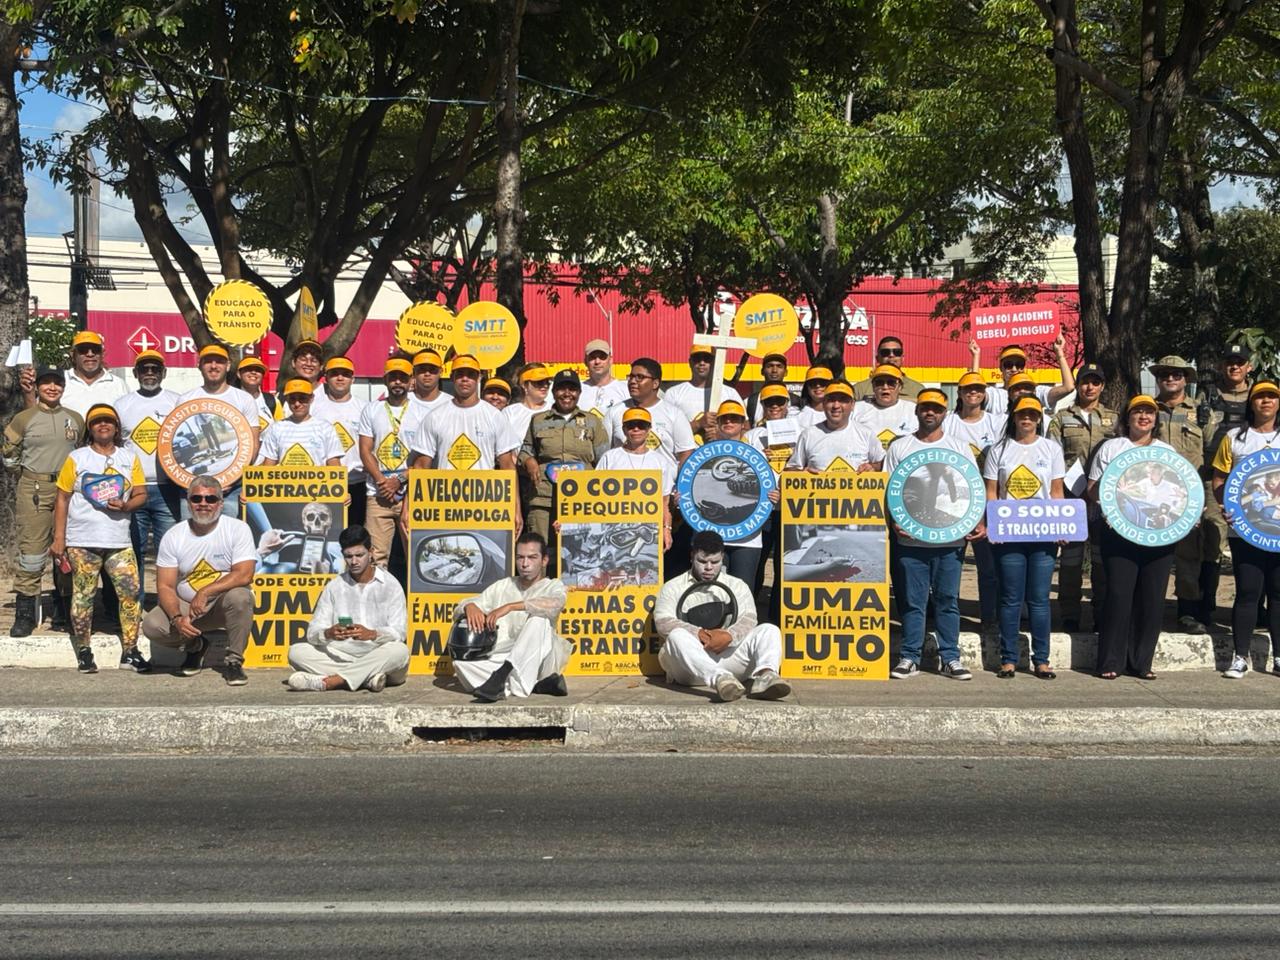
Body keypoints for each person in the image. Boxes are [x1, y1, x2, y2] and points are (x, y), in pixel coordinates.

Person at [885, 389, 982, 681]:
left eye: (936, 409)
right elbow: (889, 489)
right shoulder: (899, 447)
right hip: (910, 538)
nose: (930, 413)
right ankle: (909, 656)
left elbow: (971, 489)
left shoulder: (959, 447)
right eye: (925, 408)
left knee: (947, 599)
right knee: (912, 601)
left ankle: (950, 657)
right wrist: (893, 522)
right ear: (917, 412)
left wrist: (975, 519)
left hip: (949, 538)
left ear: (944, 413)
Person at [50, 403, 147, 674]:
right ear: (90, 429)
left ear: (116, 428)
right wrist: (60, 538)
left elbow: (141, 494)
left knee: (130, 595)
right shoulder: (77, 458)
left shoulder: (129, 457)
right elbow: (63, 496)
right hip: (82, 541)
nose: (103, 425)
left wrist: (127, 506)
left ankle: (130, 651)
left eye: (108, 421)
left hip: (119, 541)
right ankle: (84, 650)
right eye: (96, 422)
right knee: (83, 596)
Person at [1087, 396, 1177, 680]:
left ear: (1156, 419)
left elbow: (1179, 492)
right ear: (1127, 418)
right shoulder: (1112, 447)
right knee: (1118, 596)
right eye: (1137, 411)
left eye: (1149, 412)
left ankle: (1141, 662)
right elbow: (1091, 490)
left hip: (1159, 535)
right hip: (1119, 533)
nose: (1144, 416)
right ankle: (1110, 662)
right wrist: (1113, 485)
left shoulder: (1166, 451)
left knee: (1152, 600)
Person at [142, 476, 256, 685]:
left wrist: (205, 592)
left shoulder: (237, 529)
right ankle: (196, 645)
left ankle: (234, 662)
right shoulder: (174, 535)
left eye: (210, 499)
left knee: (241, 596)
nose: (203, 504)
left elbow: (244, 574)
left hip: (222, 605)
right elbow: (165, 586)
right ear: (188, 502)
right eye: (197, 498)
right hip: (187, 607)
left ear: (220, 504)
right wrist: (176, 617)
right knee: (152, 625)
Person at [982, 397, 1066, 678]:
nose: (1027, 419)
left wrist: (1061, 527)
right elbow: (992, 491)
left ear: (1039, 418)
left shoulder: (1051, 449)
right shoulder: (999, 450)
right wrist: (992, 525)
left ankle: (1041, 659)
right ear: (1014, 418)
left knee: (1040, 599)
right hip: (1010, 535)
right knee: (1010, 598)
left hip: (1042, 535)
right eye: (1022, 414)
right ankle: (1008, 659)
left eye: (1032, 414)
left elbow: (1056, 493)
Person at [654, 529, 790, 702]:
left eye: (715, 562)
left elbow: (749, 618)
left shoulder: (737, 585)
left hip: (729, 657)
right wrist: (700, 634)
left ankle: (767, 676)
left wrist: (728, 636)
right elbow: (663, 622)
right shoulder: (672, 586)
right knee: (675, 636)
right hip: (690, 667)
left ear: (722, 558)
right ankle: (719, 679)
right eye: (702, 561)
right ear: (691, 556)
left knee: (769, 630)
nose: (709, 568)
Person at [3, 367, 83, 636]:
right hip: (34, 488)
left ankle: (64, 610)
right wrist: (27, 474)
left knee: (67, 551)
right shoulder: (24, 418)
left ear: (63, 387)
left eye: (57, 384)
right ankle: (25, 613)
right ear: (36, 387)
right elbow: (9, 454)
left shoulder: (75, 419)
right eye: (46, 383)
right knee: (32, 552)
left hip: (68, 490)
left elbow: (81, 454)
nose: (52, 388)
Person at [286, 525, 409, 692]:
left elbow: (399, 633)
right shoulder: (334, 587)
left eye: (359, 555)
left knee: (399, 651)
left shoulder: (390, 585)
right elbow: (313, 633)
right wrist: (328, 633)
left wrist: (373, 634)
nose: (354, 561)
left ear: (371, 552)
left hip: (379, 654)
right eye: (349, 556)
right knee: (296, 652)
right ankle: (366, 678)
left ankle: (330, 682)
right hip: (342, 656)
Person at [1212, 381, 1280, 679]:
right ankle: (1240, 658)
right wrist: (1227, 507)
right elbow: (1219, 480)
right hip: (1246, 531)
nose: (1265, 401)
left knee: (1278, 594)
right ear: (1251, 403)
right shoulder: (1234, 438)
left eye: (1272, 396)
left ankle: (1278, 657)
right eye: (1260, 396)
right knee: (1248, 592)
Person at [452, 532, 570, 702]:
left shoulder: (553, 586)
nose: (525, 564)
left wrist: (510, 607)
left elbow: (555, 604)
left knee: (539, 619)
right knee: (461, 665)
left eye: (532, 557)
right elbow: (463, 606)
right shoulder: (504, 585)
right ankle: (533, 685)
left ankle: (503, 678)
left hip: (539, 661)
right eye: (520, 557)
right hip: (503, 656)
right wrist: (469, 606)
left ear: (544, 560)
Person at [1149, 355, 1215, 634]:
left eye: (1177, 374)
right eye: (1164, 373)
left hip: (1189, 496)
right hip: (1152, 495)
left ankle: (1187, 612)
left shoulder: (1201, 412)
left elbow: (1212, 454)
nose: (1170, 378)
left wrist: (1205, 497)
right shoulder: (1145, 408)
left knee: (1189, 554)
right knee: (1151, 553)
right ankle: (1149, 610)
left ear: (1186, 379)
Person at [1047, 363, 1115, 631]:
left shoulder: (1115, 418)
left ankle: (1101, 613)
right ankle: (1070, 614)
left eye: (1095, 382)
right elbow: (1052, 456)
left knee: (1102, 560)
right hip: (1070, 498)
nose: (1090, 387)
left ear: (1102, 386)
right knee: (1071, 561)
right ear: (1078, 384)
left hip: (1102, 499)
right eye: (1085, 381)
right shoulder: (1062, 417)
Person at [115, 349, 182, 605]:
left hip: (169, 488)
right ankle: (136, 604)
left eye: (155, 369)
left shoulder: (177, 401)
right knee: (134, 549)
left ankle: (170, 603)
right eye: (145, 369)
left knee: (169, 551)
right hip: (135, 490)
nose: (150, 373)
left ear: (164, 373)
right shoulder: (122, 405)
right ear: (135, 373)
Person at [520, 369, 610, 541]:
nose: (567, 393)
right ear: (554, 392)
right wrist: (529, 460)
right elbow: (526, 451)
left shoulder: (592, 421)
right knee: (540, 550)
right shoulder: (538, 420)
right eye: (562, 388)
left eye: (572, 389)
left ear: (579, 393)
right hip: (544, 498)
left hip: (582, 500)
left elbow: (604, 460)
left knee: (578, 552)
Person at [942, 371, 1001, 630]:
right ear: (960, 392)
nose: (973, 392)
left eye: (978, 388)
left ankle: (989, 617)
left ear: (985, 393)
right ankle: (947, 618)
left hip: (986, 503)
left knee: (988, 570)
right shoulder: (949, 422)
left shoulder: (997, 422)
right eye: (967, 389)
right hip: (952, 502)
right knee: (950, 568)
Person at [178, 344, 261, 517]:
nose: (214, 366)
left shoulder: (243, 399)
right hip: (194, 490)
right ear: (199, 366)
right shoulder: (185, 399)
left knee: (228, 538)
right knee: (193, 540)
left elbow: (253, 443)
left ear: (228, 366)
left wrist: (232, 478)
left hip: (232, 489)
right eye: (208, 361)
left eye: (219, 362)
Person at [358, 358, 413, 572]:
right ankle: (376, 602)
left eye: (403, 378)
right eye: (393, 377)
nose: (397, 382)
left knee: (417, 555)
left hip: (412, 494)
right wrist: (383, 482)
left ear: (411, 382)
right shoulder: (372, 410)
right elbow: (365, 450)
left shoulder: (422, 412)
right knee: (375, 557)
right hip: (377, 494)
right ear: (385, 379)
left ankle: (412, 604)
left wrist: (399, 480)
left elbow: (424, 459)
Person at [708, 399, 771, 585]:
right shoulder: (703, 452)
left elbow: (771, 487)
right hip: (712, 534)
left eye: (734, 419)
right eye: (724, 419)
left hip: (748, 537)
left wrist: (776, 495)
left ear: (743, 423)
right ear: (717, 423)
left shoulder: (757, 454)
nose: (729, 422)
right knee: (712, 590)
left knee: (743, 591)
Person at [595, 406, 675, 548]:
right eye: (631, 425)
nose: (636, 429)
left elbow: (664, 502)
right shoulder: (610, 457)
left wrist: (666, 529)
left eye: (641, 425)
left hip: (648, 529)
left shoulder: (660, 461)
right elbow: (595, 497)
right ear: (624, 429)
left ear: (649, 429)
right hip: (614, 527)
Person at [603, 357, 697, 467]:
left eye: (639, 377)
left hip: (662, 482)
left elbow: (686, 453)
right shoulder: (614, 412)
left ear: (655, 383)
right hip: (622, 481)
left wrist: (675, 480)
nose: (632, 381)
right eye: (631, 377)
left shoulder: (674, 414)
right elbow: (604, 452)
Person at [311, 356, 369, 526]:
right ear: (326, 378)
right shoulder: (314, 407)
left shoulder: (365, 408)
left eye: (345, 374)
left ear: (353, 379)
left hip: (357, 481)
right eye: (334, 373)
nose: (340, 378)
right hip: (323, 483)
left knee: (355, 532)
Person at [787, 380, 884, 473]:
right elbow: (790, 470)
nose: (836, 405)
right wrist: (800, 474)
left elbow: (882, 464)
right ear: (824, 404)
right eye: (831, 400)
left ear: (853, 405)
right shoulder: (808, 435)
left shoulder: (866, 434)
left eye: (843, 400)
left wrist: (872, 467)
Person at [973, 336, 1075, 417]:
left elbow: (1068, 387)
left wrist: (1059, 353)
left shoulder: (1036, 392)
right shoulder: (994, 395)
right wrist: (976, 356)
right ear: (1000, 368)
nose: (1014, 369)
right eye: (1008, 365)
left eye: (1019, 364)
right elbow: (975, 392)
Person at [258, 379, 343, 467]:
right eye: (292, 399)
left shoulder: (326, 428)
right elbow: (268, 465)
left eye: (302, 399)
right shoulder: (276, 428)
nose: (297, 403)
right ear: (287, 399)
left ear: (311, 398)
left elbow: (334, 464)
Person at [58, 330, 128, 418]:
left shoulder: (118, 385)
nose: (90, 354)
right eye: (83, 350)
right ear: (73, 354)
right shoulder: (60, 380)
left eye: (95, 350)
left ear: (102, 354)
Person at [665, 345, 731, 432]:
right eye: (697, 359)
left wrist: (720, 436)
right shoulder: (673, 393)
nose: (702, 363)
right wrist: (698, 424)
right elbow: (665, 430)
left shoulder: (730, 393)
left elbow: (744, 429)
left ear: (715, 363)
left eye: (707, 359)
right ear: (690, 362)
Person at [851, 364, 916, 448]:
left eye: (891, 383)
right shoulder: (857, 409)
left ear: (900, 387)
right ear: (873, 387)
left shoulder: (913, 410)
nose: (885, 387)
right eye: (879, 383)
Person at [399, 349, 452, 451]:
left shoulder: (451, 403)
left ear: (441, 372)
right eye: (422, 369)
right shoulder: (401, 402)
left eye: (432, 369)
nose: (427, 373)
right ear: (413, 372)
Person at [852, 336, 925, 400]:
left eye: (897, 352)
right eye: (885, 352)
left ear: (902, 358)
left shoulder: (917, 390)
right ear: (877, 358)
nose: (891, 355)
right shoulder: (860, 390)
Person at [578, 339, 630, 419]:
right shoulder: (576, 389)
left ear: (610, 360)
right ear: (585, 361)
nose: (597, 361)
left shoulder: (626, 389)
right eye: (592, 357)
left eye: (602, 357)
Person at [744, 353, 799, 425]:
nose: (774, 370)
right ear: (762, 371)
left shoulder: (797, 401)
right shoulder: (749, 402)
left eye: (779, 366)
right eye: (770, 366)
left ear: (786, 372)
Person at [504, 363, 554, 443]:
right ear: (524, 385)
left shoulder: (555, 410)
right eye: (539, 382)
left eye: (547, 382)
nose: (545, 386)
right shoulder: (510, 412)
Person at [235, 354, 280, 432]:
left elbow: (282, 431)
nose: (253, 372)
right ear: (239, 374)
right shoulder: (230, 400)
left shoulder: (272, 401)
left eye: (258, 370)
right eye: (248, 369)